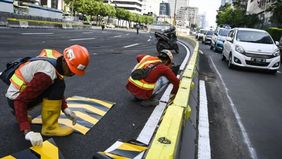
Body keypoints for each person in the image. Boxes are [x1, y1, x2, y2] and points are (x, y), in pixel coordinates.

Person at [5, 45, 90, 147]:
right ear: (64, 60)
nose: (72, 74)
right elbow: (20, 101)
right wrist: (27, 131)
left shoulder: (56, 58)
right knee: (59, 84)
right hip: (16, 99)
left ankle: (20, 113)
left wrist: (65, 108)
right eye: (71, 70)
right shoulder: (46, 75)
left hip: (16, 93)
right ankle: (50, 128)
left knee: (57, 82)